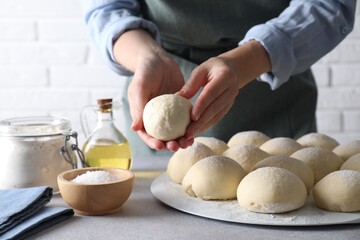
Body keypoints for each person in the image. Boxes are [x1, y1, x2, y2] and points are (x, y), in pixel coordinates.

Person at [83, 0, 356, 157]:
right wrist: (147, 57)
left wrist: (245, 61)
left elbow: (328, 5)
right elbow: (106, 9)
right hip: (159, 81)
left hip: (271, 82)